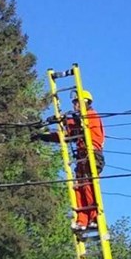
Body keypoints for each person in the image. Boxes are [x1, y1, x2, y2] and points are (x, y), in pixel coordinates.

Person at [41, 89, 106, 230]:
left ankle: (95, 218)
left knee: (89, 186)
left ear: (85, 102)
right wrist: (44, 136)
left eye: (77, 102)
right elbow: (67, 135)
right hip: (81, 158)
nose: (75, 105)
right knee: (79, 187)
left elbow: (80, 123)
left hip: (92, 155)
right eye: (74, 102)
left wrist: (63, 119)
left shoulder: (92, 115)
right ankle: (82, 220)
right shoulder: (79, 121)